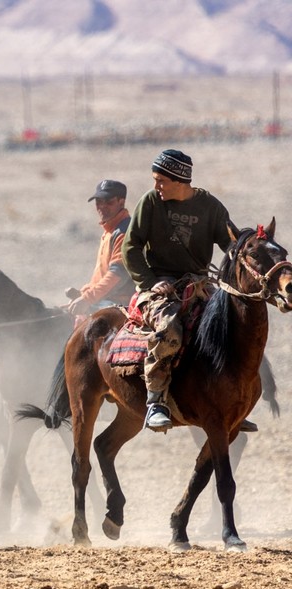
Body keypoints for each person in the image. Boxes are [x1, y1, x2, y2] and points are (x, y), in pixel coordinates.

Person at [122, 149, 233, 432]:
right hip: (159, 286)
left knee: (231, 326)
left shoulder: (210, 207)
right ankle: (156, 401)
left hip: (199, 284)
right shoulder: (150, 202)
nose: (156, 186)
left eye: (161, 180)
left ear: (180, 181)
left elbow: (230, 244)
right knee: (169, 329)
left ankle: (231, 400)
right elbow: (130, 247)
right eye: (155, 179)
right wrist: (149, 282)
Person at [64, 179, 136, 315]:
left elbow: (117, 275)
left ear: (121, 202)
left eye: (109, 202)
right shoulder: (110, 231)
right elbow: (101, 276)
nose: (102, 206)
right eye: (99, 202)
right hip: (104, 300)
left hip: (120, 305)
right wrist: (84, 293)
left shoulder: (124, 232)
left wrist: (87, 299)